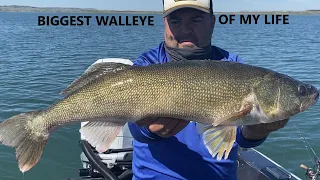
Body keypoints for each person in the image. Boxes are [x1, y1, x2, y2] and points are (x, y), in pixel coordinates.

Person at [128, 0, 289, 179]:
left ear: (212, 22)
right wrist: (150, 131)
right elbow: (134, 128)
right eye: (175, 21)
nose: (185, 29)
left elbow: (241, 137)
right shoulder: (146, 64)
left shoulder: (234, 66)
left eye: (195, 20)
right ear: (164, 23)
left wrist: (256, 131)